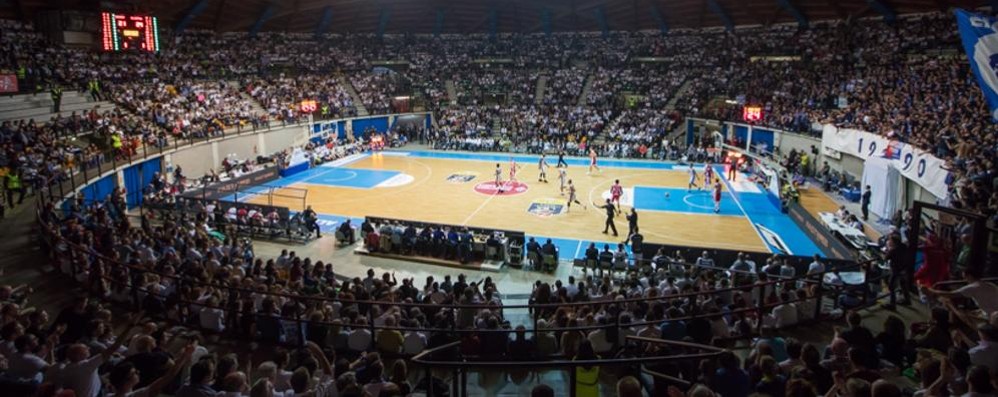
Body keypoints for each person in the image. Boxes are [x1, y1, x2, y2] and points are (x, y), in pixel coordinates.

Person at [884, 233, 911, 309]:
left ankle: (892, 304)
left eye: (890, 240)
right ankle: (907, 299)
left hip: (896, 270)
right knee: (903, 284)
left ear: (893, 242)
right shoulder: (904, 246)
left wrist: (889, 248)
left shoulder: (893, 250)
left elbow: (886, 258)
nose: (889, 241)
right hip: (904, 269)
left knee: (891, 286)